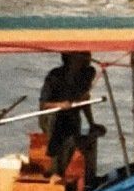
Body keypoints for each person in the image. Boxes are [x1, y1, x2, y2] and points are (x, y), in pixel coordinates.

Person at [39, 51, 98, 181]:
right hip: (51, 115)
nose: (87, 59)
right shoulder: (55, 76)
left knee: (72, 137)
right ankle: (55, 171)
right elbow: (44, 104)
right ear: (70, 58)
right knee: (58, 127)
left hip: (71, 114)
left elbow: (84, 101)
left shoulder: (87, 74)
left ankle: (58, 172)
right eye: (82, 56)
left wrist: (91, 123)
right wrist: (61, 105)